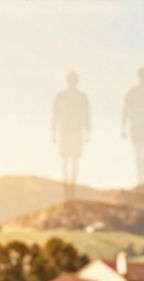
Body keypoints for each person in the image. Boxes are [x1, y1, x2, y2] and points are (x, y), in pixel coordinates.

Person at [53, 71, 91, 201]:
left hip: (75, 131)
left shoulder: (81, 97)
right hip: (66, 130)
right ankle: (66, 189)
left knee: (73, 160)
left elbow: (86, 115)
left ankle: (71, 188)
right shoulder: (62, 96)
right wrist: (54, 131)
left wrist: (87, 131)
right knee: (66, 160)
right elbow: (55, 114)